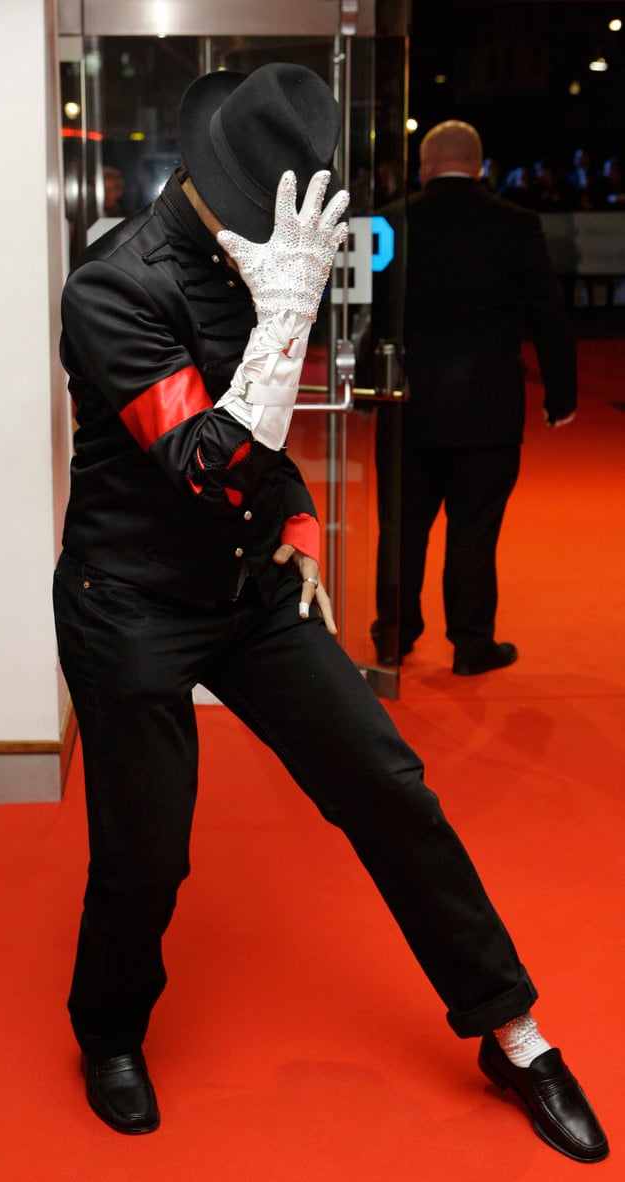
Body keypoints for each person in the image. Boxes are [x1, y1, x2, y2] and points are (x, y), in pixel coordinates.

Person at [53, 68, 607, 1163]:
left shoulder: (261, 247)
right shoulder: (110, 288)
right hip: (131, 606)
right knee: (147, 860)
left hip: (252, 588)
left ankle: (512, 1030)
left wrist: (300, 525)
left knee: (391, 792)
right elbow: (209, 464)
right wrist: (291, 312)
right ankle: (107, 1031)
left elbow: (262, 465)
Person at [373, 120, 578, 675]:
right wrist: (561, 394)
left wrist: (368, 386)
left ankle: (393, 637)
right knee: (474, 527)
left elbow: (371, 313)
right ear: (481, 165)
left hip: (406, 399)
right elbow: (547, 313)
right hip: (487, 406)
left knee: (402, 526)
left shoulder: (392, 220)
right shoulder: (516, 224)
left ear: (425, 165)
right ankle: (470, 643)